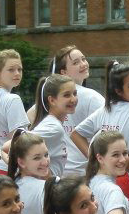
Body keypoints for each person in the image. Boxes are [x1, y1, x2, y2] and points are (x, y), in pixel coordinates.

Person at [73, 60, 129, 175]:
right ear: (119, 91)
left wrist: (97, 162)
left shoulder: (105, 110)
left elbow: (75, 134)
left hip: (109, 179)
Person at [39, 45, 104, 176]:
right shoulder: (92, 97)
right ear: (63, 72)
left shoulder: (46, 97)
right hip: (81, 173)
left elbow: (32, 116)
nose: (83, 64)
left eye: (83, 59)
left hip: (56, 171)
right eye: (75, 62)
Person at [0, 49, 29, 173]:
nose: (17, 73)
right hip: (6, 168)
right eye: (11, 70)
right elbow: (18, 142)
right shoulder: (12, 99)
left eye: (19, 69)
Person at [26, 74, 77, 177]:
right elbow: (12, 145)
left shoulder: (53, 123)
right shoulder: (53, 127)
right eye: (67, 95)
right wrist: (46, 176)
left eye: (75, 93)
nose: (73, 99)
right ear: (52, 100)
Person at [7, 130, 50, 214]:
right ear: (21, 162)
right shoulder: (47, 188)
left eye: (46, 155)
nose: (45, 162)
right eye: (37, 158)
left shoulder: (7, 185)